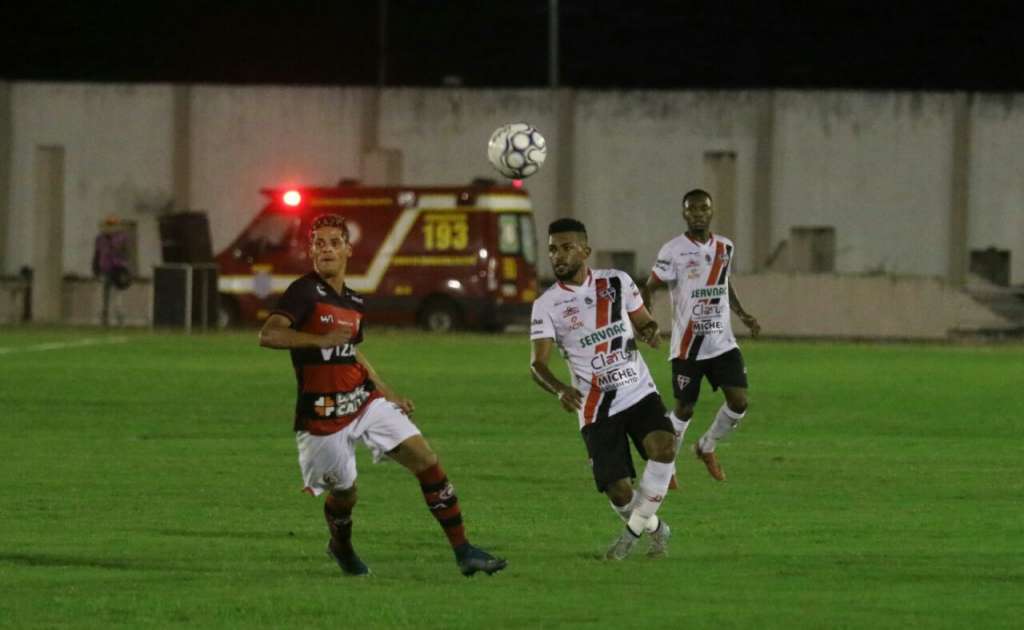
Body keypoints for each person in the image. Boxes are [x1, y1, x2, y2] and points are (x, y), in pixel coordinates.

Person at [259, 213, 506, 577]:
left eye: (333, 242)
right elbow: (270, 334)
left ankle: (464, 551)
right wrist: (318, 340)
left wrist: (386, 393)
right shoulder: (303, 292)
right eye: (318, 243)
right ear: (311, 251)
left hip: (362, 401)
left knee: (426, 460)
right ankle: (340, 546)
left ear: (348, 250)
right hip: (323, 413)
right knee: (345, 494)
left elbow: (353, 353)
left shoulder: (355, 301)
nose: (325, 249)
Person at [529, 218, 677, 560]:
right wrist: (560, 389)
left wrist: (650, 330)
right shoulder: (547, 305)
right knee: (619, 491)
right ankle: (656, 529)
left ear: (585, 250)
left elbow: (644, 321)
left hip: (637, 390)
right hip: (595, 405)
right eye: (553, 249)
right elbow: (537, 365)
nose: (558, 256)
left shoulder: (617, 282)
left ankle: (627, 539)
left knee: (665, 447)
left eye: (566, 247)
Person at [642, 189, 761, 482]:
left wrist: (743, 314)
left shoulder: (725, 247)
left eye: (703, 208)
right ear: (684, 214)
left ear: (711, 211)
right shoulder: (672, 250)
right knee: (684, 409)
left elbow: (723, 284)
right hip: (688, 347)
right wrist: (647, 323)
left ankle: (706, 446)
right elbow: (649, 286)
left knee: (739, 401)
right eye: (691, 209)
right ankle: (667, 466)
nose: (697, 214)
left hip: (722, 343)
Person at [91, 215, 131, 326]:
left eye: (112, 225)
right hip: (104, 269)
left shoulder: (123, 238)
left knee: (118, 296)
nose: (110, 227)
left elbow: (127, 254)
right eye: (108, 225)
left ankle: (120, 317)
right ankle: (103, 318)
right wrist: (95, 269)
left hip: (118, 269)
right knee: (102, 295)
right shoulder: (99, 238)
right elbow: (97, 254)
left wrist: (125, 268)